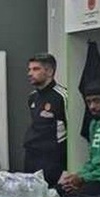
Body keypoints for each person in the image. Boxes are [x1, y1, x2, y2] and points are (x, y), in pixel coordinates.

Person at [58, 79, 100, 197]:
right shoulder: (95, 123)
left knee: (85, 195)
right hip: (98, 176)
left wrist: (83, 178)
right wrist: (78, 176)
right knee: (61, 190)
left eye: (97, 101)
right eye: (88, 102)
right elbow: (93, 161)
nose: (92, 107)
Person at [24, 53, 68, 188]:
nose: (30, 73)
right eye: (29, 69)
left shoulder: (62, 96)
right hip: (32, 157)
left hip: (53, 160)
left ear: (49, 72)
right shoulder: (32, 97)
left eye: (36, 69)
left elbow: (73, 133)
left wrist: (67, 168)